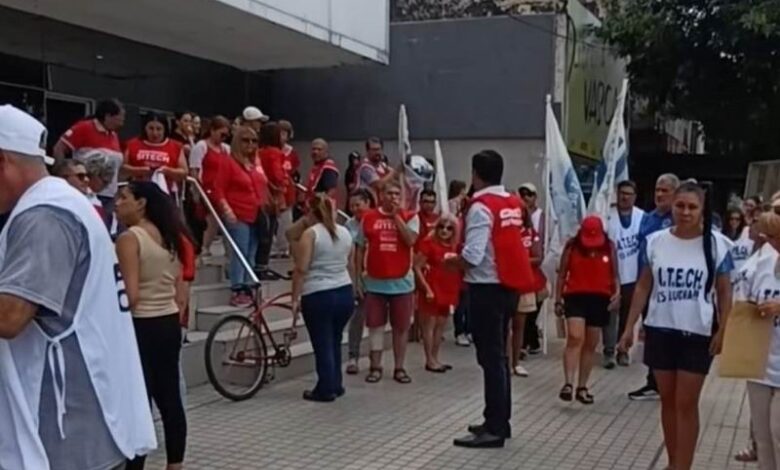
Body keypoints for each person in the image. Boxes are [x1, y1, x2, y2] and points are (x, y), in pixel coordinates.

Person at [0, 105, 155, 469]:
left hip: (65, 432)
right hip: (87, 422)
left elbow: (9, 316)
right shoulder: (66, 203)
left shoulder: (45, 217)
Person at [618, 181, 733, 470]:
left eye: (692, 207)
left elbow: (724, 291)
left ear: (702, 209)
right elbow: (643, 286)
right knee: (668, 400)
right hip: (660, 329)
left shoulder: (717, 244)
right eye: (680, 205)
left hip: (697, 333)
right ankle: (673, 462)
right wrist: (629, 327)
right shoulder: (655, 241)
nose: (685, 212)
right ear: (672, 207)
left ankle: (684, 465)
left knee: (686, 402)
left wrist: (724, 330)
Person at [446, 150, 534, 448]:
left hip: (486, 287)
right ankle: (497, 419)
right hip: (508, 285)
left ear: (475, 174)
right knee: (498, 357)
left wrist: (449, 261)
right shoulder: (512, 202)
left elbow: (472, 255)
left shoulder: (481, 207)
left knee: (491, 358)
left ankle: (496, 426)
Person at [116, 182, 193, 470]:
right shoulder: (170, 236)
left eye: (124, 197)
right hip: (168, 319)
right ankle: (175, 463)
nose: (117, 203)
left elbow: (131, 295)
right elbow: (179, 286)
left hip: (141, 324)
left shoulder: (130, 238)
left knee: (140, 401)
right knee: (170, 397)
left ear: (141, 203)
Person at [288, 193, 355, 402]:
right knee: (334, 339)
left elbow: (301, 268)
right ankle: (336, 383)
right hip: (344, 290)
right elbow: (350, 263)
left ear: (310, 212)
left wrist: (295, 298)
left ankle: (325, 388)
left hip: (318, 293)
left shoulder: (311, 234)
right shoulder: (345, 232)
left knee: (322, 342)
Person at [355, 181, 419, 385]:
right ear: (381, 195)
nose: (393, 197)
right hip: (374, 282)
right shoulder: (368, 217)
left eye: (397, 194)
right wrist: (357, 277)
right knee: (375, 327)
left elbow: (410, 240)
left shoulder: (411, 216)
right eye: (390, 193)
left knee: (401, 328)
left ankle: (399, 368)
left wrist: (396, 217)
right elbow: (359, 248)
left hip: (402, 283)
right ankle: (375, 367)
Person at [555, 215, 619, 403]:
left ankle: (582, 386)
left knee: (591, 343)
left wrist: (617, 293)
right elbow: (562, 274)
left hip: (600, 297)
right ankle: (568, 383)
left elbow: (615, 274)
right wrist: (558, 299)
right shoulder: (571, 247)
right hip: (575, 295)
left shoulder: (609, 247)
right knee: (575, 337)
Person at [628, 173, 680, 401]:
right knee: (652, 333)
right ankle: (654, 381)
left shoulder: (679, 218)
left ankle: (672, 380)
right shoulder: (648, 218)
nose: (659, 194)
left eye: (665, 190)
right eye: (657, 190)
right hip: (647, 284)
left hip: (671, 288)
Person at [735, 211, 780, 470]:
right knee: (762, 439)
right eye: (770, 237)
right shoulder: (762, 262)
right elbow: (744, 299)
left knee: (778, 432)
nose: (774, 243)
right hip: (761, 360)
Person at [213, 126, 266, 307]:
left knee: (251, 252)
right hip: (237, 213)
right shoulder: (228, 162)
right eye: (245, 140)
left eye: (254, 141)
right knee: (240, 252)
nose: (250, 144)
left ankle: (249, 286)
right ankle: (237, 289)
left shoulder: (254, 163)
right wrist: (227, 210)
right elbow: (218, 189)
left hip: (256, 213)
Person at [52, 98, 125, 227]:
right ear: (108, 116)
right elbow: (59, 148)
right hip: (87, 191)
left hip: (109, 194)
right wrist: (64, 177)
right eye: (120, 117)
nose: (122, 121)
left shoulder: (113, 135)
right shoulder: (84, 128)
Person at [605, 180, 645, 368]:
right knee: (610, 315)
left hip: (633, 275)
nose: (625, 197)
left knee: (628, 316)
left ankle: (623, 350)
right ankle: (608, 350)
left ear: (635, 197)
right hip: (611, 275)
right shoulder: (608, 215)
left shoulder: (642, 217)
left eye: (629, 194)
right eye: (622, 193)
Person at [415, 213, 462, 372]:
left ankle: (435, 358)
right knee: (429, 325)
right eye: (441, 227)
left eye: (449, 228)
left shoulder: (454, 246)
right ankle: (429, 359)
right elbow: (416, 267)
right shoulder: (428, 244)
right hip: (432, 288)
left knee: (441, 325)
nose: (444, 230)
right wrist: (426, 288)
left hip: (448, 288)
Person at [508, 211, 546, 377]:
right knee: (505, 327)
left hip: (525, 284)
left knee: (519, 326)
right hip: (506, 283)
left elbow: (537, 257)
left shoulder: (531, 233)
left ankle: (516, 363)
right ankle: (505, 362)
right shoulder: (505, 231)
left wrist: (518, 260)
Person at [189, 115, 231, 254]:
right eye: (221, 134)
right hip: (206, 189)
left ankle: (228, 250)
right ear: (212, 130)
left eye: (226, 135)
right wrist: (198, 192)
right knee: (210, 220)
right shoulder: (201, 146)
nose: (223, 138)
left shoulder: (226, 149)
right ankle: (204, 247)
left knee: (225, 220)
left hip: (222, 190)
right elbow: (194, 170)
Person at [123, 113, 188, 201]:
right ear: (145, 128)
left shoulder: (176, 146)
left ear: (165, 129)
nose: (155, 133)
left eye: (159, 129)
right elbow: (123, 168)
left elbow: (184, 172)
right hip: (137, 192)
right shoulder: (132, 144)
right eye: (151, 128)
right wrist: (140, 170)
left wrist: (167, 171)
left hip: (165, 193)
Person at [344, 189, 373, 375]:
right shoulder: (349, 225)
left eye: (358, 205)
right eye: (352, 206)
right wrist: (356, 281)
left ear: (368, 203)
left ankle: (375, 358)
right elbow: (351, 257)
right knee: (357, 319)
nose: (355, 209)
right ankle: (353, 356)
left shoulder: (377, 220)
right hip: (358, 275)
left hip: (378, 277)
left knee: (376, 321)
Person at [255, 122, 288, 279]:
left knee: (263, 230)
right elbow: (277, 174)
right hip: (272, 196)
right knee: (269, 230)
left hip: (260, 194)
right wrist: (283, 184)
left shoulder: (259, 152)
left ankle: (258, 264)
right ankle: (262, 266)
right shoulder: (275, 153)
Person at [518, 182, 545, 354]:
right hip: (518, 279)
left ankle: (528, 342)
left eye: (529, 194)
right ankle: (526, 343)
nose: (526, 198)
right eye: (523, 195)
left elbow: (538, 255)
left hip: (534, 277)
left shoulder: (540, 217)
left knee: (529, 313)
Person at [272, 119, 300, 259]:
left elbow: (294, 171)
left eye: (284, 133)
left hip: (287, 191)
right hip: (272, 191)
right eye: (279, 133)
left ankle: (283, 247)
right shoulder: (269, 151)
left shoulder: (292, 152)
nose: (281, 137)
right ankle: (272, 247)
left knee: (286, 220)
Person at [448, 179, 471, 347]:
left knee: (469, 299)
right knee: (461, 299)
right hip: (459, 260)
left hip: (471, 262)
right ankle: (460, 331)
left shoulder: (471, 219)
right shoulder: (456, 219)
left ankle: (469, 329)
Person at [355, 137, 395, 203]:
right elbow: (378, 185)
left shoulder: (383, 165)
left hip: (379, 204)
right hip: (365, 204)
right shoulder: (365, 167)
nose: (377, 152)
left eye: (379, 149)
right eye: (374, 150)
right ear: (368, 151)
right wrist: (393, 173)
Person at [304, 138, 340, 205]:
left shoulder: (328, 167)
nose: (315, 152)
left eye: (319, 149)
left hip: (320, 208)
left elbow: (331, 190)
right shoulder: (318, 165)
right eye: (313, 149)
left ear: (326, 152)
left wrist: (322, 206)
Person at [723, 207, 754, 278]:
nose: (734, 221)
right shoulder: (723, 237)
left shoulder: (747, 233)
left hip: (744, 277)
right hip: (729, 277)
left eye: (737, 219)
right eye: (732, 219)